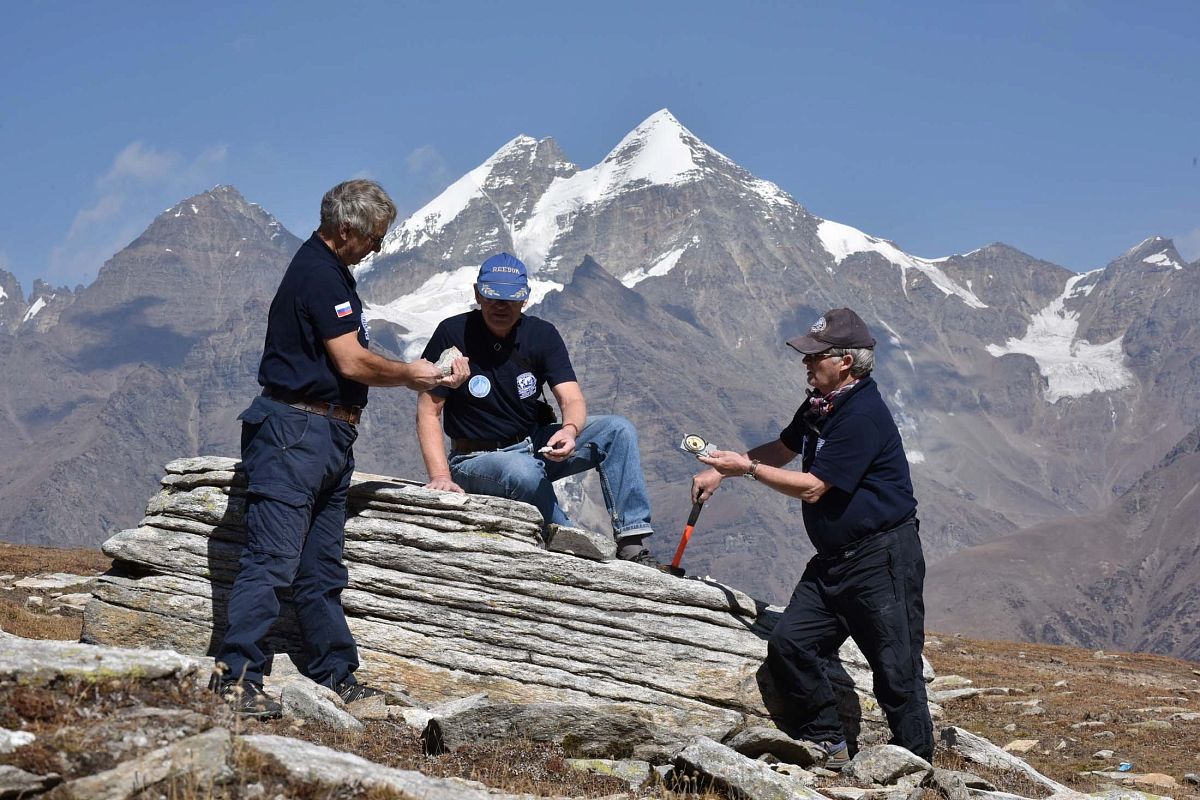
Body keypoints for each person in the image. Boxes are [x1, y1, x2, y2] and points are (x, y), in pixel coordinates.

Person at [213, 179, 469, 718]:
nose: (378, 246)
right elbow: (351, 362)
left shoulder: (330, 274)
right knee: (272, 559)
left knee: (321, 568)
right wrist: (412, 374)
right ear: (347, 230)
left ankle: (334, 672)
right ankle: (235, 680)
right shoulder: (318, 274)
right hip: (295, 434)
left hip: (327, 435)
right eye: (375, 236)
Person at [690, 307, 933, 766]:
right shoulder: (821, 403)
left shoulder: (861, 415)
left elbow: (816, 487)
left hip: (881, 558)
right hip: (835, 559)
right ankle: (829, 743)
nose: (806, 362)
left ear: (844, 361)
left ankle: (916, 771)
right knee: (791, 644)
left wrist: (749, 470)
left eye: (815, 356)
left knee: (896, 670)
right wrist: (724, 469)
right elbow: (784, 448)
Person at [416, 252, 667, 569]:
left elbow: (571, 399)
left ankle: (632, 542)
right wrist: (440, 476)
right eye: (493, 297)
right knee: (524, 472)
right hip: (475, 459)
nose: (501, 306)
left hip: (532, 443)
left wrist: (570, 430)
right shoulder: (453, 334)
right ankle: (575, 546)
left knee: (617, 431)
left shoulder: (541, 335)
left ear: (524, 300)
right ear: (478, 294)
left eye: (511, 299)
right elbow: (428, 410)